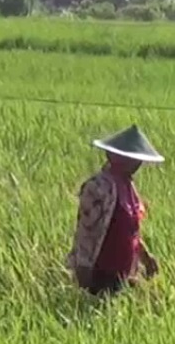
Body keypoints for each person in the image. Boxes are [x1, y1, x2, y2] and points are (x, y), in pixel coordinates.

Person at [65, 124, 165, 296]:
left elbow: (131, 231)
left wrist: (145, 257)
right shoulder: (97, 188)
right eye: (134, 159)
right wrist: (83, 267)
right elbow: (86, 230)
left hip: (124, 271)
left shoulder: (128, 186)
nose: (138, 164)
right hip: (100, 272)